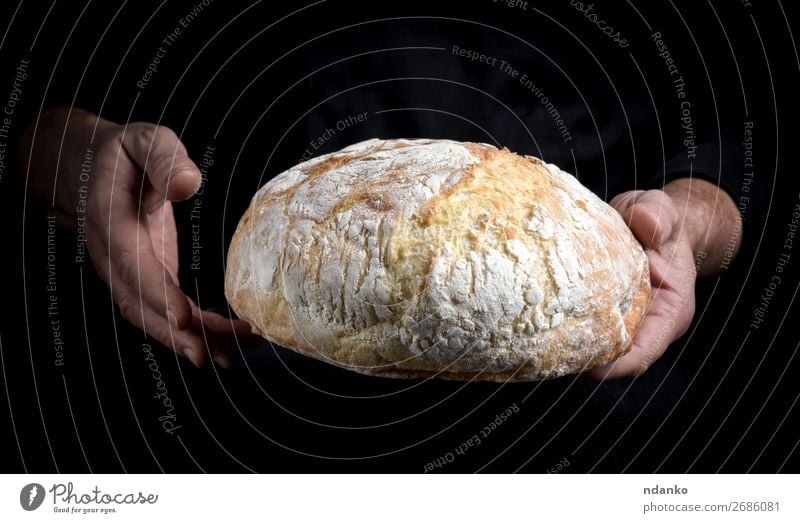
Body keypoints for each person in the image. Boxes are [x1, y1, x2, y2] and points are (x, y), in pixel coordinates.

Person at [19, 104, 741, 378]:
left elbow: (737, 172)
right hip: (238, 403)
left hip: (594, 456)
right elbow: (26, 117)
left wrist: (686, 224)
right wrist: (85, 156)